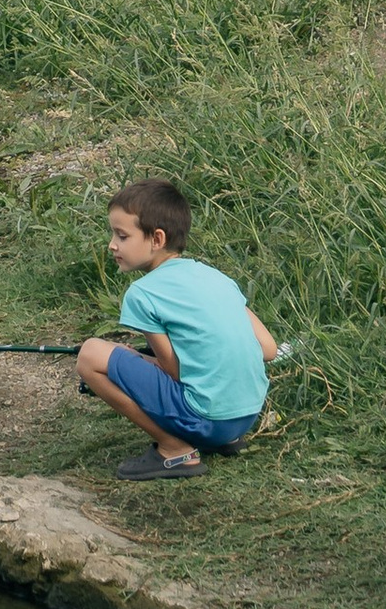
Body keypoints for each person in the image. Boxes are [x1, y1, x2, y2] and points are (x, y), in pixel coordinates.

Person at [75, 178, 277, 478]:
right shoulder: (216, 278)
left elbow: (173, 371)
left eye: (122, 236)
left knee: (90, 354)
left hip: (207, 420)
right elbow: (269, 349)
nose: (112, 244)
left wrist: (131, 357)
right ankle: (225, 441)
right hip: (245, 416)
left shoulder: (142, 294)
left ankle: (174, 450)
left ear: (157, 239)